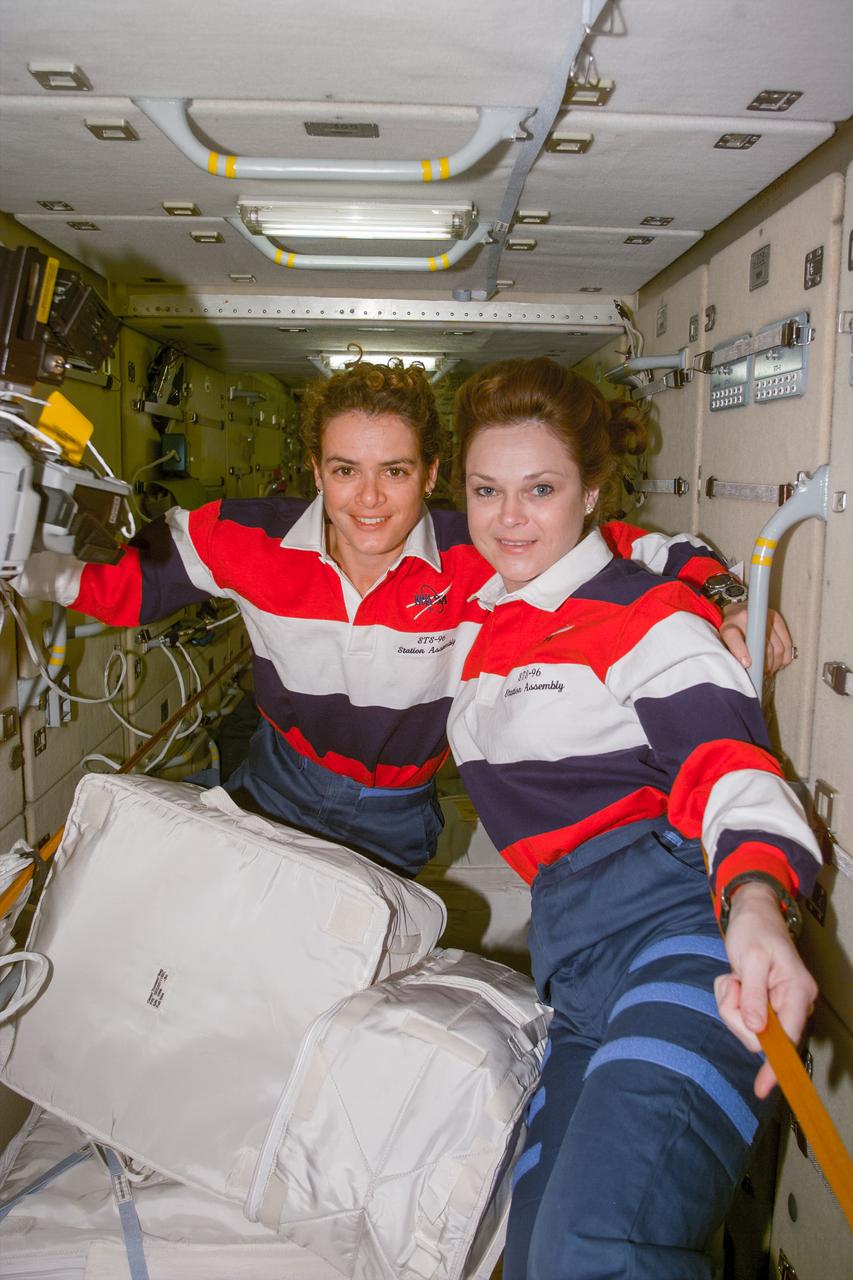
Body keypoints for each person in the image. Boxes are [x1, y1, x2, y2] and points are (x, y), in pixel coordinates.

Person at [11, 360, 790, 877]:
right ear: (316, 471)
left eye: (395, 471)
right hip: (276, 781)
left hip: (393, 810)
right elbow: (120, 587)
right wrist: (25, 566)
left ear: (432, 474)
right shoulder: (242, 536)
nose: (369, 499)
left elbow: (627, 547)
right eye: (345, 471)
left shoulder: (479, 553)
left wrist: (723, 597)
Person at [446, 357, 820, 1280]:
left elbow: (725, 758)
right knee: (530, 1254)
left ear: (591, 490)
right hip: (575, 968)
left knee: (592, 1253)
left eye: (540, 489)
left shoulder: (647, 618)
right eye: (486, 490)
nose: (508, 517)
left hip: (682, 937)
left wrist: (759, 903)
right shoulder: (482, 611)